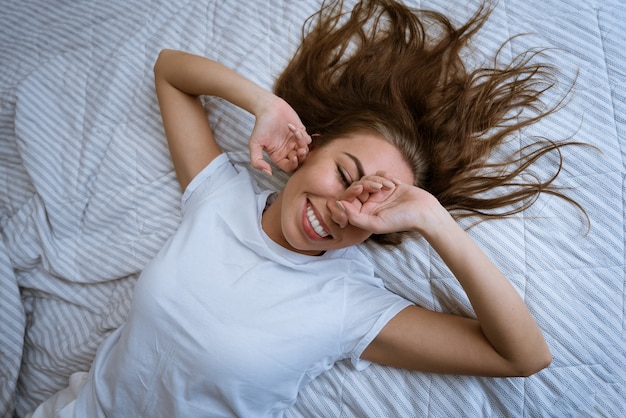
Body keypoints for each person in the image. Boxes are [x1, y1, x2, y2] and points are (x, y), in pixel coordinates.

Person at [31, 0, 590, 416]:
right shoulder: (219, 196)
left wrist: (432, 221)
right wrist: (265, 105)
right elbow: (170, 71)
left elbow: (524, 355)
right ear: (309, 145)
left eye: (374, 201)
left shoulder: (349, 303)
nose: (346, 208)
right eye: (346, 174)